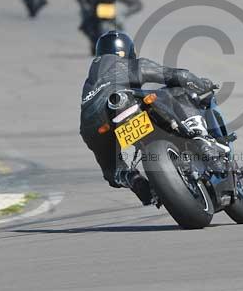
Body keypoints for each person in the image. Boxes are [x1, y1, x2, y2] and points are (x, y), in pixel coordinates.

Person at [79, 31, 227, 205]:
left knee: (113, 169)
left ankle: (135, 181)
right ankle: (201, 139)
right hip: (124, 105)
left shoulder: (90, 83)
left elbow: (109, 173)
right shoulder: (126, 65)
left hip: (92, 126)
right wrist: (201, 84)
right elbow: (177, 75)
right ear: (128, 50)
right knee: (176, 91)